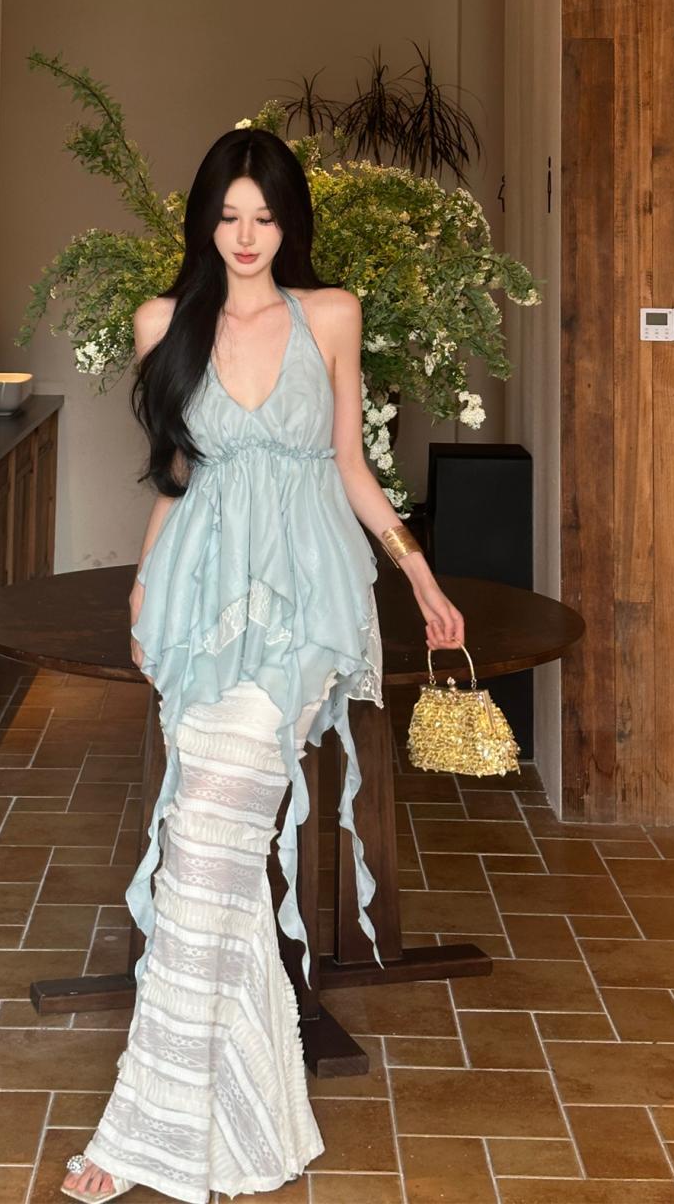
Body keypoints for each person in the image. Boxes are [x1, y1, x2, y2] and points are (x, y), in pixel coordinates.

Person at [61, 128, 464, 1202]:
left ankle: (139, 1128)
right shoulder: (163, 324)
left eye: (266, 217)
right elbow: (176, 475)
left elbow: (350, 466)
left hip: (302, 603)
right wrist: (142, 587)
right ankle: (250, 1112)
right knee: (216, 852)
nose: (246, 237)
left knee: (206, 844)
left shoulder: (328, 315)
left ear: (291, 224)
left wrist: (419, 575)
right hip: (196, 600)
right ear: (205, 221)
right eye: (230, 216)